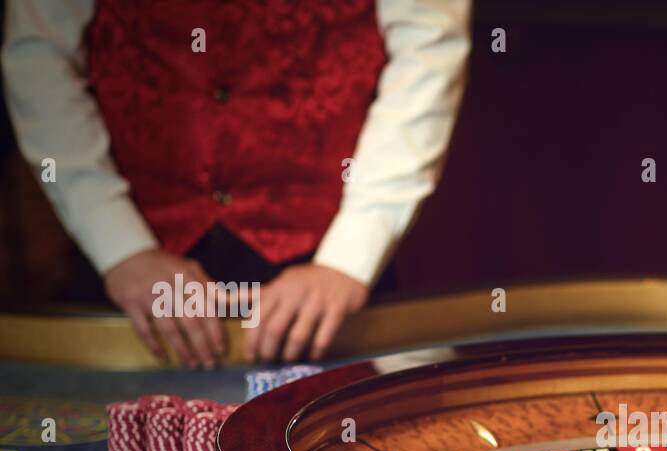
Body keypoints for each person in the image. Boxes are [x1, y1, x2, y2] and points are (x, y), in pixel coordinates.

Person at [2, 0, 470, 367]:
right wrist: (120, 245)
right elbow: (39, 54)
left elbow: (428, 48)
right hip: (133, 268)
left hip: (333, 255)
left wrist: (349, 257)